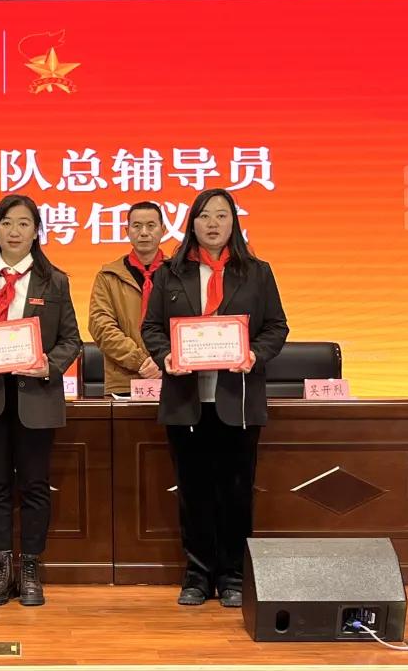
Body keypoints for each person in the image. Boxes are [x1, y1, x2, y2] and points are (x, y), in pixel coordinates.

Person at [141, 188, 288, 608]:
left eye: (222, 216)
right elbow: (151, 327)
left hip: (237, 400)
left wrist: (254, 354)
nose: (213, 224)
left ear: (233, 223)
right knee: (193, 491)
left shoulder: (256, 272)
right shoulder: (171, 273)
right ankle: (197, 576)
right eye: (205, 216)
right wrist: (166, 356)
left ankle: (234, 576)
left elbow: (276, 327)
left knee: (236, 491)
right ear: (192, 223)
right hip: (186, 400)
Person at [0, 194, 81, 607]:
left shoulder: (54, 280)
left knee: (35, 485)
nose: (14, 231)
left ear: (36, 231)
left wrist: (48, 366)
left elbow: (71, 339)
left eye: (24, 224)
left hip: (36, 396)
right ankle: (1, 568)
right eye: (7, 223)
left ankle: (30, 570)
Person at [88, 201, 166, 396]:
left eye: (151, 225)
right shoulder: (108, 276)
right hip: (123, 382)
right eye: (136, 226)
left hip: (173, 379)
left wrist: (163, 360)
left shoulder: (180, 274)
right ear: (127, 231)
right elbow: (101, 327)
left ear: (163, 230)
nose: (144, 232)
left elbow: (186, 323)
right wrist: (139, 361)